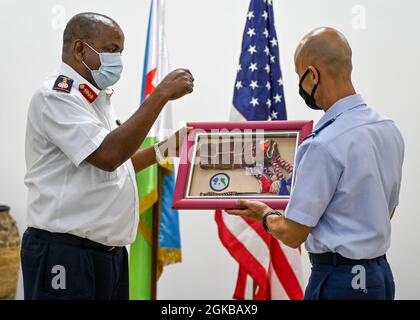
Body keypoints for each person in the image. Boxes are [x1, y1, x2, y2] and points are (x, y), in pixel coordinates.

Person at [22, 12, 194, 300]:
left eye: (121, 52)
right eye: (112, 50)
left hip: (107, 254)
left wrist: (166, 149)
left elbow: (116, 166)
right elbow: (108, 155)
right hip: (65, 252)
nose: (118, 60)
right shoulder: (57, 96)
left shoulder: (96, 99)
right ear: (80, 50)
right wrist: (160, 94)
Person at [226, 27, 404, 300]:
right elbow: (386, 210)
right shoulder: (388, 129)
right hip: (380, 275)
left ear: (313, 75)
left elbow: (293, 234)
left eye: (300, 79)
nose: (302, 88)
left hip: (340, 281)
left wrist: (265, 214)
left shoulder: (322, 144)